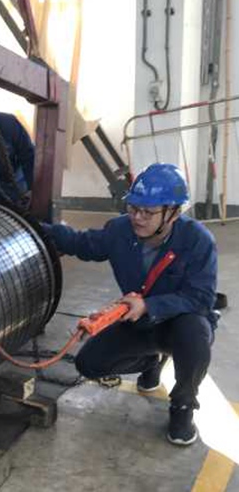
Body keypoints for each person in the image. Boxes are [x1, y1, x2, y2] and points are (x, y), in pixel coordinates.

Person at [42, 163, 217, 446]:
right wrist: (38, 229)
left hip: (181, 323)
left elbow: (202, 298)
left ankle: (183, 405)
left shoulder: (197, 240)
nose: (137, 217)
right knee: (89, 363)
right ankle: (150, 362)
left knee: (196, 339)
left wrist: (148, 305)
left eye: (148, 212)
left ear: (173, 212)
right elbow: (83, 244)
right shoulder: (120, 230)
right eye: (133, 208)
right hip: (140, 322)